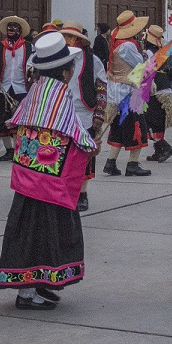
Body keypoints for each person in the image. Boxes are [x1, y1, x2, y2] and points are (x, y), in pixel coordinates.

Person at [0, 33, 98, 310]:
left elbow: (16, 122)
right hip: (49, 183)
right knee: (42, 232)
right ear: (65, 71)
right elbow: (72, 129)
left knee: (29, 230)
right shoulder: (59, 93)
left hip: (29, 177)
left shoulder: (37, 90)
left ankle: (39, 283)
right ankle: (28, 293)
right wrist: (90, 144)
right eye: (71, 67)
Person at [61, 21, 107, 211]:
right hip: (62, 112)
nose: (67, 40)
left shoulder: (92, 60)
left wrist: (99, 113)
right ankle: (63, 190)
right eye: (64, 36)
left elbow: (102, 86)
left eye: (71, 37)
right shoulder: (59, 59)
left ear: (79, 40)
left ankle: (82, 193)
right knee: (62, 152)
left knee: (85, 154)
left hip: (85, 112)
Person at [103, 11, 151, 176]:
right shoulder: (128, 46)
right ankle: (132, 164)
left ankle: (110, 162)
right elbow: (139, 65)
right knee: (136, 127)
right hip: (128, 91)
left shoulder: (115, 43)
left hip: (116, 91)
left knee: (118, 128)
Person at [0, 16, 33, 161]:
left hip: (21, 89)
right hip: (4, 88)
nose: (11, 29)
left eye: (15, 27)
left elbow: (35, 63)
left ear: (20, 30)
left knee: (19, 122)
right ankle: (8, 150)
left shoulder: (28, 46)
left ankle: (18, 150)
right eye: (9, 27)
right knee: (2, 121)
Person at [142, 25, 172, 163]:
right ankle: (158, 151)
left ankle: (165, 147)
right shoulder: (164, 52)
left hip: (156, 89)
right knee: (158, 120)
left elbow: (147, 72)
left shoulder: (149, 53)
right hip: (166, 87)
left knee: (151, 119)